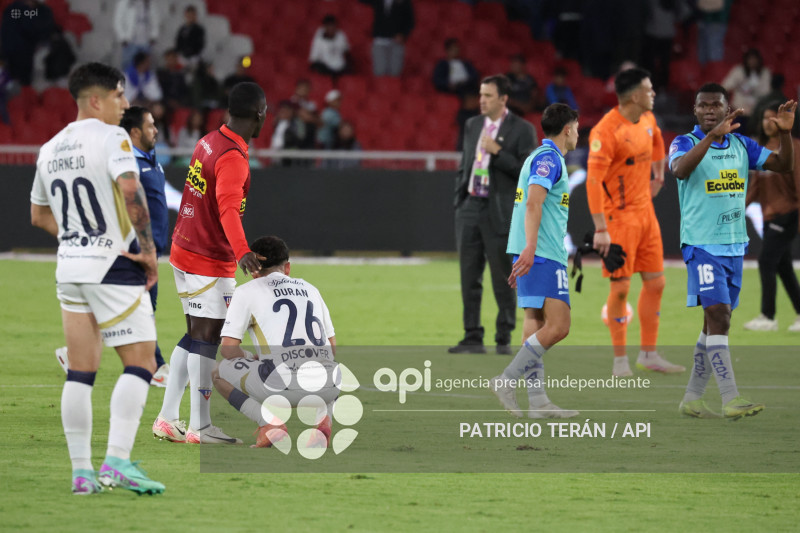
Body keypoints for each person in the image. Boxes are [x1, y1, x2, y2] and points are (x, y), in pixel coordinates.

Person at [30, 62, 164, 494]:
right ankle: (118, 462)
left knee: (81, 374)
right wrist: (147, 250)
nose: (124, 105)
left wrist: (75, 237)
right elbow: (130, 189)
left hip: (70, 267)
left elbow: (37, 215)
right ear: (96, 100)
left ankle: (82, 473)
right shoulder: (113, 138)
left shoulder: (49, 148)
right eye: (119, 97)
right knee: (141, 362)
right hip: (114, 264)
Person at [669, 83, 796, 419]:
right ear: (695, 111)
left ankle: (692, 398)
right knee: (720, 316)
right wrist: (711, 138)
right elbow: (680, 171)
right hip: (700, 244)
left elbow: (783, 165)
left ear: (728, 109)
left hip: (734, 245)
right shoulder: (685, 142)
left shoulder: (743, 145)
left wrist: (785, 134)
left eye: (716, 105)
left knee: (714, 322)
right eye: (702, 105)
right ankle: (730, 398)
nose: (709, 110)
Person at [152, 82, 267, 445]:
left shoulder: (208, 140)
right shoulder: (232, 156)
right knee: (207, 338)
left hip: (183, 250)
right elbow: (228, 209)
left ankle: (168, 418)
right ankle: (200, 427)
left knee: (193, 333)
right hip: (207, 259)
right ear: (259, 115)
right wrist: (242, 250)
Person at [587, 67, 684, 377]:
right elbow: (593, 182)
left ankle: (649, 354)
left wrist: (658, 174)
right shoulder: (606, 131)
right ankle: (620, 362)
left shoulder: (648, 120)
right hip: (618, 219)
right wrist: (601, 228)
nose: (654, 93)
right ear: (633, 96)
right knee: (620, 288)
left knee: (656, 282)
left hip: (646, 216)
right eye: (649, 89)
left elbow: (657, 143)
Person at [490, 103, 580, 419]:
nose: (578, 133)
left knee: (536, 321)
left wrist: (522, 250)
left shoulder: (536, 156)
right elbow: (533, 203)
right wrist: (529, 248)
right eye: (577, 127)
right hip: (542, 252)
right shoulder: (549, 159)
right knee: (559, 326)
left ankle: (538, 401)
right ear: (568, 128)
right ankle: (507, 380)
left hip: (531, 251)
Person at [212, 236, 337, 448]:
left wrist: (249, 357)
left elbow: (228, 349)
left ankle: (269, 424)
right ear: (287, 267)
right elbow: (331, 348)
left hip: (282, 386)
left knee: (216, 371)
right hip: (329, 387)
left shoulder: (246, 292)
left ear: (253, 270)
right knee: (325, 361)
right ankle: (323, 420)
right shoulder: (311, 289)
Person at [450, 75, 537, 355]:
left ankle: (503, 337)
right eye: (481, 94)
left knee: (503, 277)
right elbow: (465, 163)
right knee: (469, 275)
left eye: (488, 95)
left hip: (499, 210)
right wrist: (459, 199)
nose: (482, 100)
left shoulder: (522, 129)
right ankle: (472, 336)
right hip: (471, 206)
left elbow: (528, 171)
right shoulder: (472, 125)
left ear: (503, 99)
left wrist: (498, 152)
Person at [743, 101, 800, 332]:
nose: (768, 123)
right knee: (783, 266)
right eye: (764, 118)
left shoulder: (794, 148)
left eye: (772, 118)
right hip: (769, 217)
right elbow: (755, 188)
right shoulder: (763, 150)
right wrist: (737, 209)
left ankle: (768, 316)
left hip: (787, 214)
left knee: (766, 261)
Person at [722, 48, 771, 134]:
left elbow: (767, 92)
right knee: (737, 134)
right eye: (750, 59)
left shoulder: (765, 72)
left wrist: (754, 89)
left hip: (757, 112)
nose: (752, 62)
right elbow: (725, 86)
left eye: (754, 59)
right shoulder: (738, 71)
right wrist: (739, 84)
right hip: (740, 111)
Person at [360, 0, 415, 77]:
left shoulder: (404, 2)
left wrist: (403, 34)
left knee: (395, 74)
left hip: (396, 42)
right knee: (380, 72)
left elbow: (410, 21)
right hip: (379, 41)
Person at [113, 0, 160, 69]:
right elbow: (117, 21)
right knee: (128, 67)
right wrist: (122, 37)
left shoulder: (150, 3)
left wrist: (153, 36)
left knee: (145, 67)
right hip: (130, 41)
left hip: (145, 41)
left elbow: (155, 20)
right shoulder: (124, 2)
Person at [308, 14, 351, 79]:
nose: (331, 29)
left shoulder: (341, 36)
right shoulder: (319, 40)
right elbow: (313, 58)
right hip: (326, 67)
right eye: (329, 26)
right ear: (325, 27)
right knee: (316, 66)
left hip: (340, 66)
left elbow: (346, 50)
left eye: (333, 26)